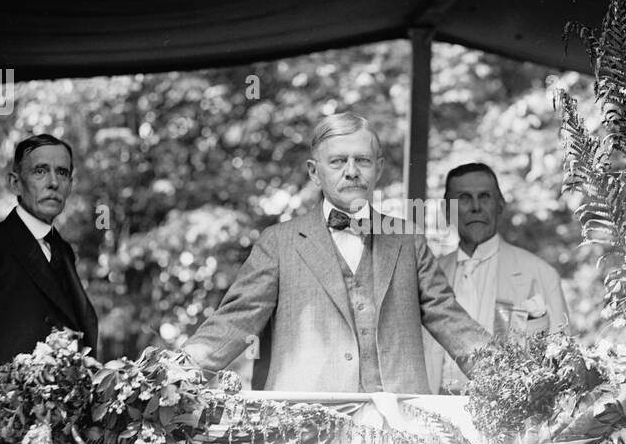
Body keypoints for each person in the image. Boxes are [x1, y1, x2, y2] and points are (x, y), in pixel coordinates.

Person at [182, 112, 488, 394]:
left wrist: (510, 376)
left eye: (363, 161)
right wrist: (167, 380)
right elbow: (234, 322)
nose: (352, 172)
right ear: (315, 173)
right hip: (307, 429)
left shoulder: (408, 240)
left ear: (378, 168)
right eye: (338, 162)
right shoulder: (278, 242)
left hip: (398, 427)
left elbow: (451, 320)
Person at [0, 134, 99, 378]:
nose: (53, 182)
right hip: (10, 412)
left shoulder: (63, 250)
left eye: (62, 173)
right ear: (15, 183)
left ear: (70, 184)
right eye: (40, 171)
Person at [425, 162, 569, 393]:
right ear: (446, 210)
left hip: (510, 417)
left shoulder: (539, 273)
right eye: (464, 198)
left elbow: (565, 365)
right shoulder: (428, 275)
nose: (475, 207)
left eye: (484, 197)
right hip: (436, 408)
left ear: (500, 205)